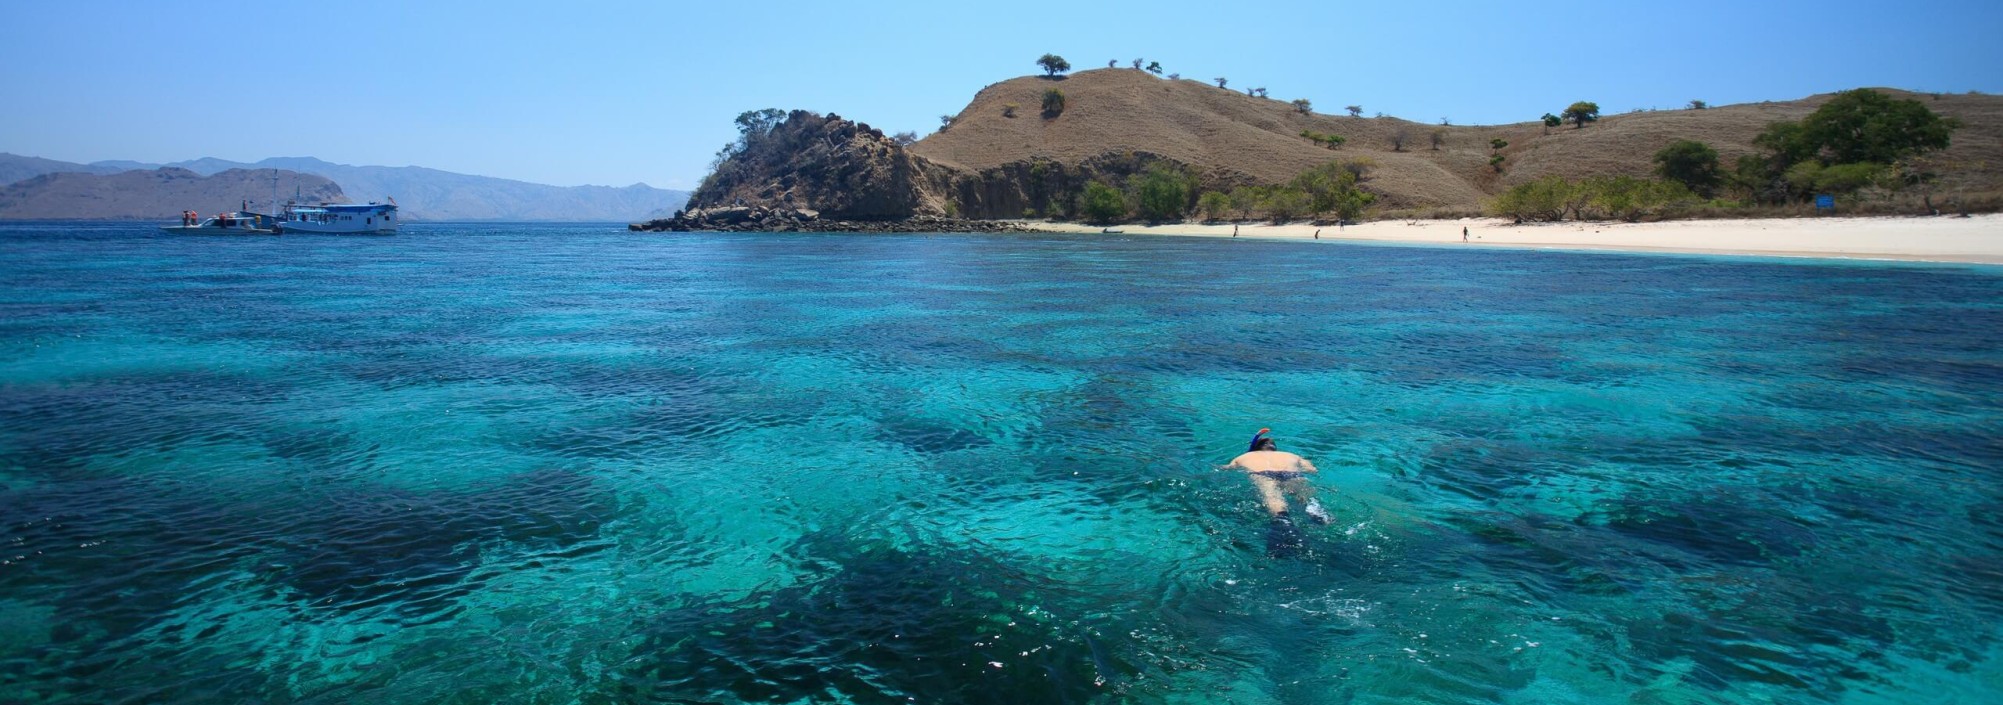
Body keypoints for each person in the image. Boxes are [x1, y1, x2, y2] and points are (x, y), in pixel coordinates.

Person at [1228, 428, 1331, 555]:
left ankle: (1285, 524)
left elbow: (1227, 469)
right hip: (1291, 474)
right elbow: (1313, 470)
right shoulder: (1292, 455)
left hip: (1263, 474)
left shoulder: (1242, 457)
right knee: (1305, 499)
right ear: (1274, 448)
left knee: (1275, 502)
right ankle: (1319, 516)